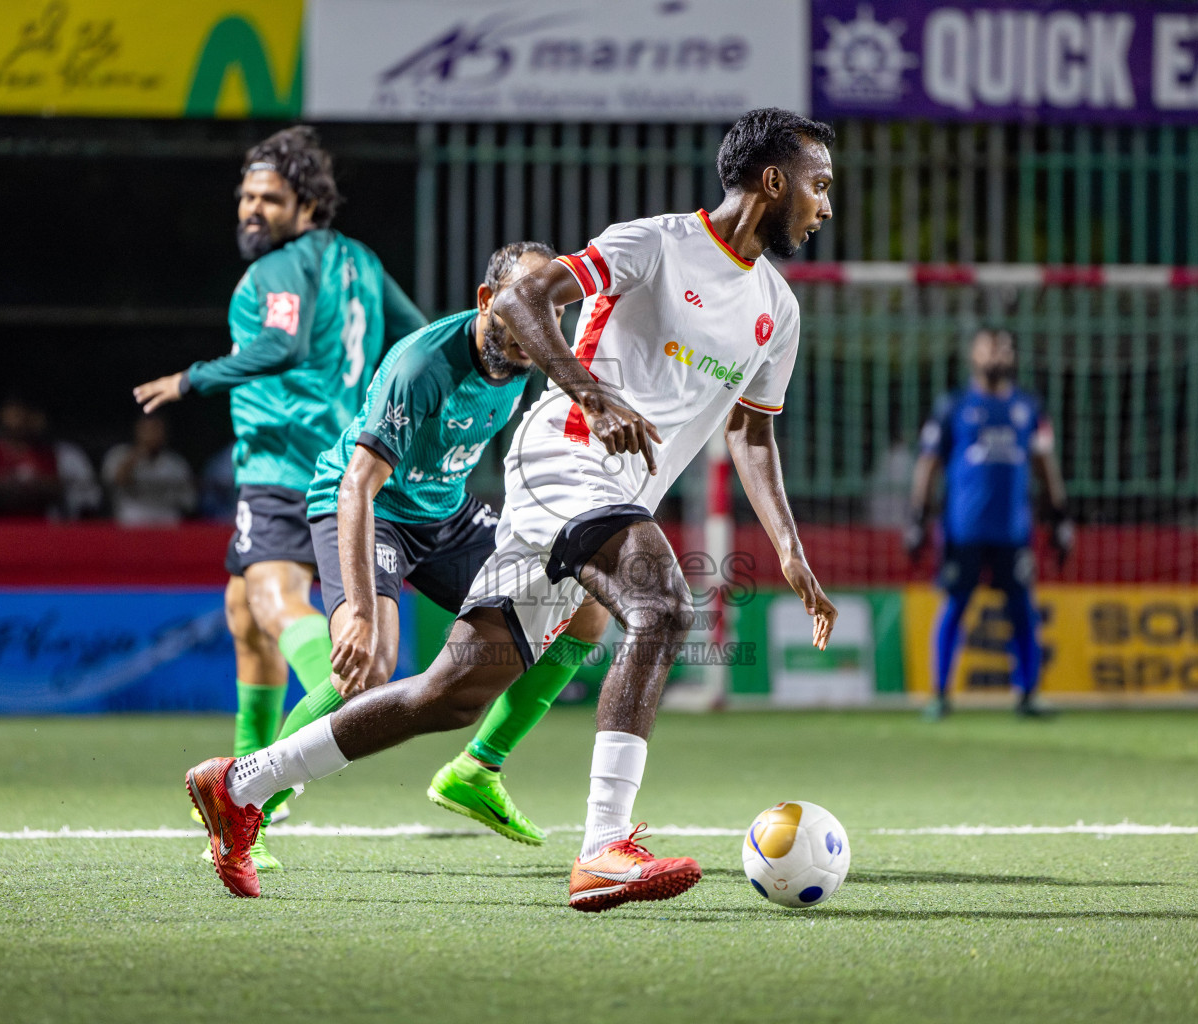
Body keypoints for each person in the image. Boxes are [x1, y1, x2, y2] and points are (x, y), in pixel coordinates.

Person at [187, 107, 840, 907]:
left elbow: (754, 437)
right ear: (773, 182)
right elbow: (526, 300)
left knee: (453, 693)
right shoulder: (657, 242)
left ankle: (241, 785)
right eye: (819, 185)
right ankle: (603, 846)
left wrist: (790, 549)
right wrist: (592, 395)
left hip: (610, 492)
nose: (825, 206)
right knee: (663, 606)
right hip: (564, 455)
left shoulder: (780, 309)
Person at [240, 241, 610, 865]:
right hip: (368, 510)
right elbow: (358, 483)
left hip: (445, 514)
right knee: (365, 668)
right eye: (518, 312)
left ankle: (477, 771)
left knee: (587, 604)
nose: (530, 331)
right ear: (485, 301)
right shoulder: (424, 366)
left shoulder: (532, 361)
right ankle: (247, 803)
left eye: (545, 314)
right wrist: (358, 609)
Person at [134, 126, 426, 827]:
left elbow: (281, 343)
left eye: (269, 198)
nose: (251, 210)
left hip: (282, 462)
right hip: (341, 463)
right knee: (244, 616)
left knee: (272, 600)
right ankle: (246, 791)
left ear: (308, 206)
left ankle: (316, 708)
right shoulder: (360, 259)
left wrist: (192, 378)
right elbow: (417, 338)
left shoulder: (278, 268)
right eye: (246, 197)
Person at [903, 328, 1074, 720]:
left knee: (1021, 610)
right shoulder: (953, 407)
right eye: (989, 346)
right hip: (963, 530)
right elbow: (927, 464)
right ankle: (940, 694)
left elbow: (1045, 464)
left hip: (1014, 531)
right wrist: (916, 518)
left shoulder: (1028, 408)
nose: (997, 353)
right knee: (955, 606)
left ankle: (1027, 694)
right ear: (972, 354)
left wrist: (1060, 516)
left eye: (1004, 347)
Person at [0, 396, 60, 518]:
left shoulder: (43, 453)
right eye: (12, 415)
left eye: (20, 415)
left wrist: (32, 486)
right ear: (2, 417)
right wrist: (8, 485)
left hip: (37, 524)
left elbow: (55, 489)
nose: (17, 422)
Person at [101, 416, 196, 526]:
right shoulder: (119, 454)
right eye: (147, 430)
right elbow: (116, 482)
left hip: (167, 522)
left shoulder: (176, 463)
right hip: (131, 521)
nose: (152, 434)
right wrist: (134, 458)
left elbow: (189, 502)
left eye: (156, 429)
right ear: (137, 431)